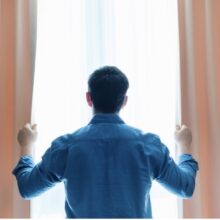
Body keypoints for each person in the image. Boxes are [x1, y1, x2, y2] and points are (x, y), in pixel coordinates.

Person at [13, 66, 199, 218]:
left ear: (88, 98)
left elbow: (27, 188)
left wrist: (26, 145)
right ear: (125, 101)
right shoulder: (149, 145)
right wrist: (183, 145)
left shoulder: (66, 147)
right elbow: (186, 187)